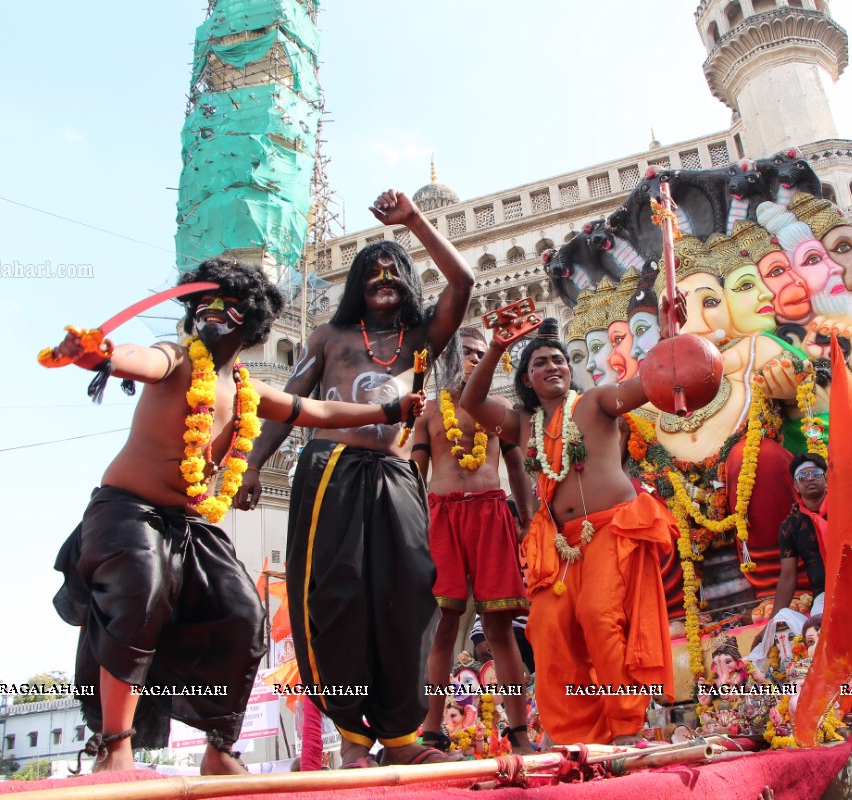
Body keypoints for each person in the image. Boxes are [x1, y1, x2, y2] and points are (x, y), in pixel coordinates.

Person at [50, 258, 424, 774]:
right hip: (127, 512)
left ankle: (220, 749)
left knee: (245, 617)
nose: (211, 313)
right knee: (140, 594)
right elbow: (144, 359)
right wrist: (105, 355)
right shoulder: (178, 358)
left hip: (193, 525)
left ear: (252, 321)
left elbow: (315, 412)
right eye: (202, 304)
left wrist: (386, 412)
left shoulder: (249, 389)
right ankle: (114, 746)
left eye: (226, 305)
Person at [237, 189, 474, 768]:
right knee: (336, 599)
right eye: (372, 271)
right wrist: (251, 464)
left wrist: (412, 220)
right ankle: (351, 737)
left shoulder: (420, 340)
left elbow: (463, 283)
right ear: (356, 285)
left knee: (409, 595)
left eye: (394, 270)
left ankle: (400, 738)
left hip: (396, 473)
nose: (384, 276)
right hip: (331, 475)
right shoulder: (329, 339)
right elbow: (288, 403)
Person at [460, 316, 678, 745]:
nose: (553, 366)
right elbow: (471, 401)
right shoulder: (523, 425)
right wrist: (498, 347)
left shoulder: (596, 401)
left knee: (600, 618)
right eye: (540, 362)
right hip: (561, 545)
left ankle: (625, 729)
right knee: (547, 628)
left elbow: (652, 381)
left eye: (559, 359)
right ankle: (578, 734)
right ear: (527, 377)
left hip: (611, 530)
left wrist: (670, 333)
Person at [411, 327, 536, 754]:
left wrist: (528, 519)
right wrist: (412, 525)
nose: (473, 359)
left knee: (500, 629)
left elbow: (517, 470)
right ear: (448, 359)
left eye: (481, 354)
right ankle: (430, 732)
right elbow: (415, 475)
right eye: (465, 353)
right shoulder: (429, 412)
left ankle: (519, 733)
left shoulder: (498, 411)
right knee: (442, 627)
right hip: (442, 516)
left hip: (491, 513)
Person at [769, 454, 830, 619]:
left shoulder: (845, 507)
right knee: (820, 634)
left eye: (816, 474)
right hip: (824, 596)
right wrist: (771, 622)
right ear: (795, 486)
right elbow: (788, 577)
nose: (810, 478)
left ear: (826, 479)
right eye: (802, 476)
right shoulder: (790, 526)